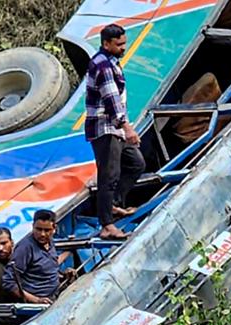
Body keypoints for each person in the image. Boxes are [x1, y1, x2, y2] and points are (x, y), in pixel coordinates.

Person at [84, 23, 146, 240]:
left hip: (115, 128)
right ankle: (107, 225)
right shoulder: (103, 66)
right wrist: (127, 128)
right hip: (106, 128)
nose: (123, 47)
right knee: (108, 176)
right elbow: (112, 101)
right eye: (119, 44)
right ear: (106, 44)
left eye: (124, 43)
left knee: (135, 163)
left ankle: (113, 205)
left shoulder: (111, 62)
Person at [2, 210, 67, 304]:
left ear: (54, 229)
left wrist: (62, 275)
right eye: (38, 229)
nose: (42, 234)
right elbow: (8, 282)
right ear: (33, 227)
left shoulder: (50, 242)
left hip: (55, 296)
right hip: (39, 305)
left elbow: (44, 268)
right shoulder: (25, 248)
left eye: (47, 230)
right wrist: (36, 300)